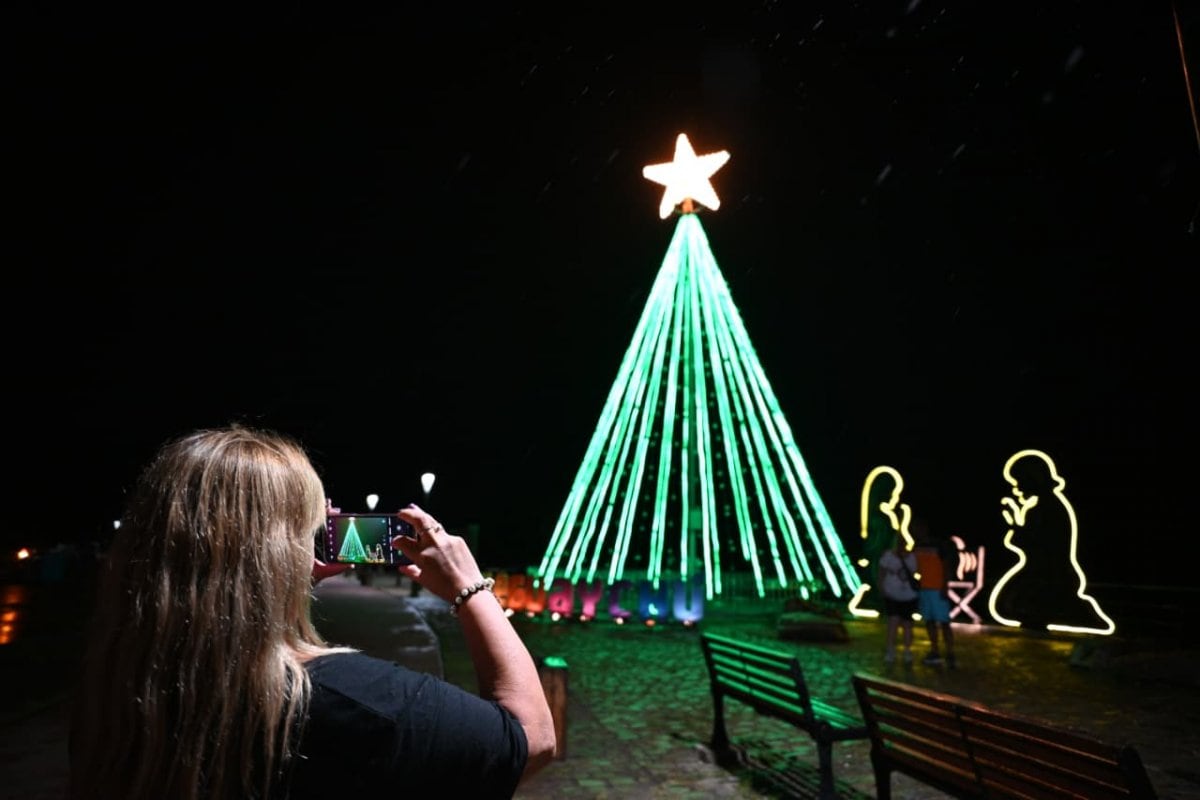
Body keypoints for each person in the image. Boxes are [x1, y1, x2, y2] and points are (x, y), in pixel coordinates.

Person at [68, 425, 556, 800]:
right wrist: (472, 589)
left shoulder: (121, 692)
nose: (329, 515)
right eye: (313, 517)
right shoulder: (353, 701)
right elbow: (531, 740)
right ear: (283, 546)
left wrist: (285, 578)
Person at [912, 518, 956, 668]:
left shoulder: (938, 545)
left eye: (918, 528)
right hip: (924, 588)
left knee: (944, 622)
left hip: (937, 588)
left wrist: (945, 586)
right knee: (929, 621)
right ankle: (935, 649)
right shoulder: (917, 547)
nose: (916, 531)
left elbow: (947, 566)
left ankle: (950, 651)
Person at [877, 531, 919, 664]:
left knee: (907, 624)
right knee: (893, 622)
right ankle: (890, 650)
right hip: (892, 593)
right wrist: (882, 589)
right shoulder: (888, 556)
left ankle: (907, 651)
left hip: (908, 595)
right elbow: (881, 574)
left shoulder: (912, 557)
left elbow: (915, 572)